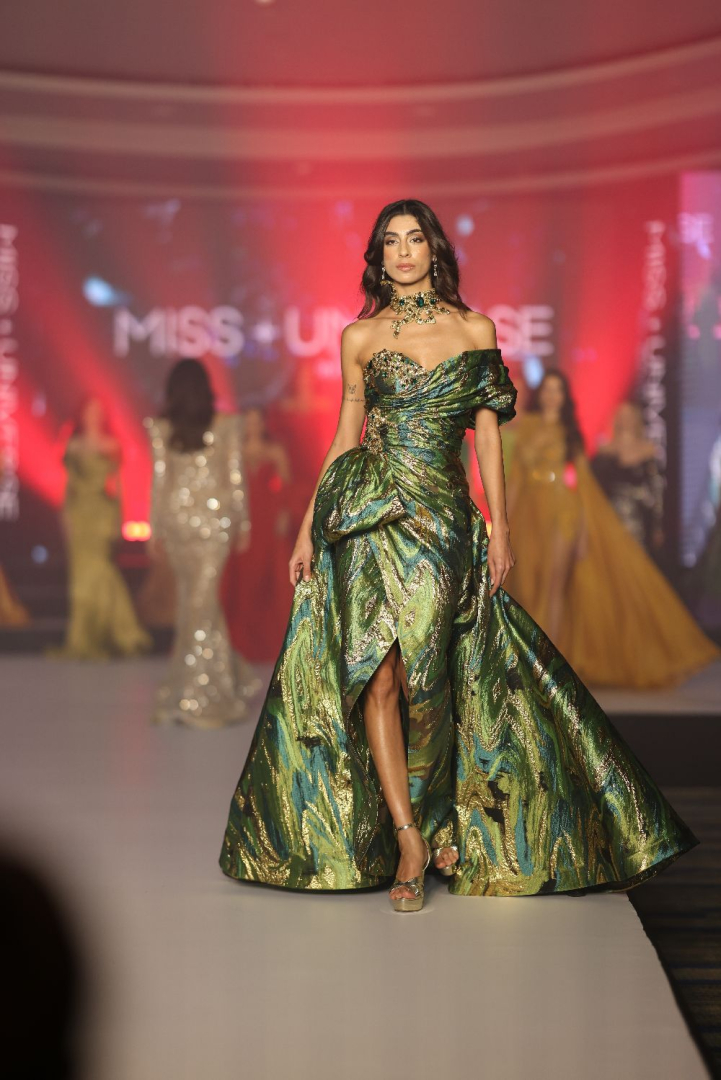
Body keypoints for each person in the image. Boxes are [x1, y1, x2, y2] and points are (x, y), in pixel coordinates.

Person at [219, 199, 698, 913]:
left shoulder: (474, 330)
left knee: (432, 676)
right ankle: (409, 839)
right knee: (378, 675)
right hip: (366, 518)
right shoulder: (359, 336)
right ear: (378, 257)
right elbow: (346, 434)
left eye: (414, 239)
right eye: (390, 241)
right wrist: (306, 531)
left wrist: (498, 528)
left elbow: (488, 437)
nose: (402, 251)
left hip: (442, 520)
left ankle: (438, 814)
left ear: (433, 250)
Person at [504, 370, 719, 688]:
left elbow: (583, 485)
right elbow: (515, 480)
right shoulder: (527, 427)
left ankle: (548, 664)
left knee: (553, 586)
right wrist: (503, 523)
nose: (552, 396)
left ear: (564, 397)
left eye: (558, 390)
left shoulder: (570, 432)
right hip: (530, 515)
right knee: (528, 585)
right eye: (547, 389)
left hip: (563, 512)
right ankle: (531, 656)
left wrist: (583, 532)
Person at [146, 359, 259, 728]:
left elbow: (160, 484)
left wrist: (155, 528)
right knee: (195, 606)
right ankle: (216, 685)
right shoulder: (219, 425)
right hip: (212, 523)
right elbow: (235, 478)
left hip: (184, 523)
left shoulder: (171, 427)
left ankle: (194, 693)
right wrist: (243, 523)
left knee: (199, 605)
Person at [56, 398, 151, 659]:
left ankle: (117, 630)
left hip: (102, 514)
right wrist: (65, 517)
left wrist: (118, 519)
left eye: (98, 411)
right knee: (80, 578)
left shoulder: (111, 446)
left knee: (102, 571)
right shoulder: (73, 445)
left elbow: (118, 485)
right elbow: (68, 487)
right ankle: (83, 636)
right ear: (82, 414)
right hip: (80, 515)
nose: (93, 415)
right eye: (90, 410)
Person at [221, 407, 294, 663]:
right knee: (244, 577)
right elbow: (227, 486)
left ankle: (269, 641)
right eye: (248, 422)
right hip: (243, 517)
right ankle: (242, 642)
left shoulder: (275, 450)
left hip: (267, 516)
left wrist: (284, 514)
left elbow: (286, 485)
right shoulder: (234, 451)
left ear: (263, 424)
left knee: (267, 574)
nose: (252, 426)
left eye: (256, 421)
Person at [591, 401, 664, 552]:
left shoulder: (648, 450)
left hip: (640, 518)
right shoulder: (604, 452)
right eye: (622, 416)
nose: (626, 420)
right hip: (611, 517)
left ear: (636, 420)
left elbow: (657, 489)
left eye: (629, 416)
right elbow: (595, 489)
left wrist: (658, 525)